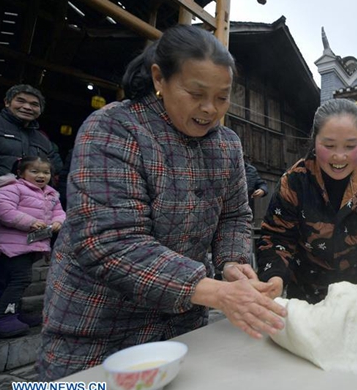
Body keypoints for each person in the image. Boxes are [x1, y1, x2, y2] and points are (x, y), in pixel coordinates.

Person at [37, 25, 286, 380]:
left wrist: (232, 263)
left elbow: (233, 214)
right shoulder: (113, 128)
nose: (209, 109)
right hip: (98, 327)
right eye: (195, 93)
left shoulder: (227, 144)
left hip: (180, 327)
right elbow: (110, 242)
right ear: (159, 78)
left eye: (222, 97)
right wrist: (215, 291)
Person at [257, 98, 357, 327]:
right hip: (303, 302)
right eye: (329, 145)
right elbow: (276, 238)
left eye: (350, 146)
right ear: (314, 141)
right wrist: (274, 279)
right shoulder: (294, 181)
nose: (339, 156)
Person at [0, 156, 65, 338]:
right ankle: (4, 317)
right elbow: (2, 208)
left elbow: (60, 212)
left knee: (14, 280)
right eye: (34, 171)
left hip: (32, 246)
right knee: (19, 279)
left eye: (46, 172)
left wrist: (58, 222)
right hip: (10, 245)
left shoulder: (51, 194)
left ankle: (14, 311)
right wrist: (30, 222)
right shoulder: (12, 188)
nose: (41, 175)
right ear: (20, 173)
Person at [0, 84, 62, 179]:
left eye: (34, 104)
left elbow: (56, 168)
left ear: (40, 110)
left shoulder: (43, 140)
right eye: (20, 101)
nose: (27, 107)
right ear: (7, 102)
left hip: (28, 193)